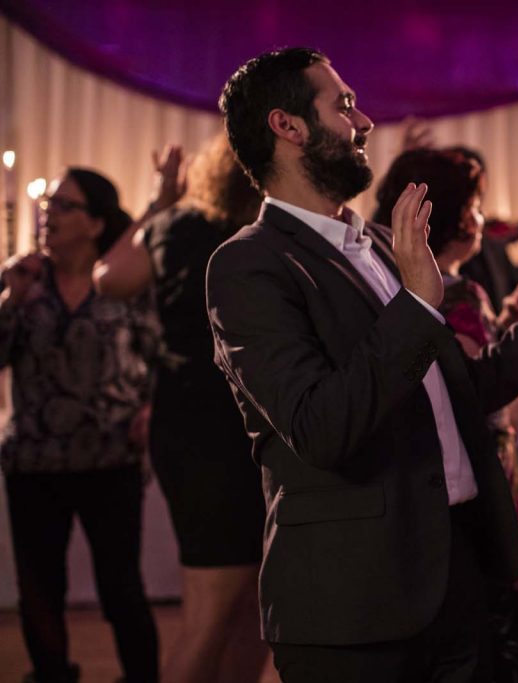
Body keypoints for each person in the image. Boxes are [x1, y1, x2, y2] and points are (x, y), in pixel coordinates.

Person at [208, 47, 518, 682]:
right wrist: (415, 302)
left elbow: (462, 390)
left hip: (457, 571)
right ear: (288, 126)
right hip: (355, 599)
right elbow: (322, 426)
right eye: (344, 106)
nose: (363, 122)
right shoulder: (249, 265)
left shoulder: (386, 246)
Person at [374, 146, 518, 681]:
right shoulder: (457, 292)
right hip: (482, 466)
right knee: (503, 608)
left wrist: (505, 324)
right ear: (458, 219)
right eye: (475, 207)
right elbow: (476, 383)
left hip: (428, 475)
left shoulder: (389, 287)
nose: (481, 218)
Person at [93, 133, 268, 683]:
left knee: (249, 604)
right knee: (218, 610)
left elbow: (110, 277)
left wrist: (162, 200)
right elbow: (109, 282)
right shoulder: (268, 231)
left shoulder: (178, 224)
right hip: (221, 431)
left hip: (196, 423)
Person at [0, 168, 160, 683]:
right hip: (34, 461)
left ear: (94, 223)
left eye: (65, 206)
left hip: (109, 459)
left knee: (121, 588)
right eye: (49, 204)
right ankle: (52, 675)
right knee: (40, 591)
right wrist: (9, 299)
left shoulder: (124, 283)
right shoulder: (24, 279)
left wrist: (150, 409)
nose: (50, 214)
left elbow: (161, 356)